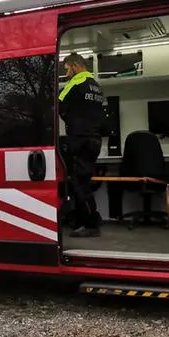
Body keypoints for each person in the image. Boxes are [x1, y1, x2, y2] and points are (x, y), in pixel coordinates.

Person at [58, 52, 106, 238]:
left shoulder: (76, 83)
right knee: (83, 181)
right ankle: (82, 220)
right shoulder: (96, 86)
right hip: (94, 140)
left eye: (67, 68)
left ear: (75, 66)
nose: (67, 73)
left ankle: (91, 224)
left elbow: (58, 105)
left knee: (78, 184)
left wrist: (68, 119)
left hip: (80, 139)